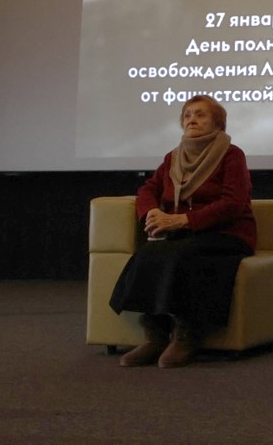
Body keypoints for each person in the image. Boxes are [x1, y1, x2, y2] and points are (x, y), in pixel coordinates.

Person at [109, 95, 255, 368]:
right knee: (148, 253)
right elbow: (148, 190)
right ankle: (155, 334)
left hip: (227, 234)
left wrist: (183, 220)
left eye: (200, 114)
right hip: (184, 234)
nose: (191, 120)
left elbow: (233, 204)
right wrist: (152, 213)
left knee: (183, 254)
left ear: (218, 124)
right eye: (187, 115)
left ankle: (186, 333)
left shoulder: (232, 155)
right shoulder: (172, 158)